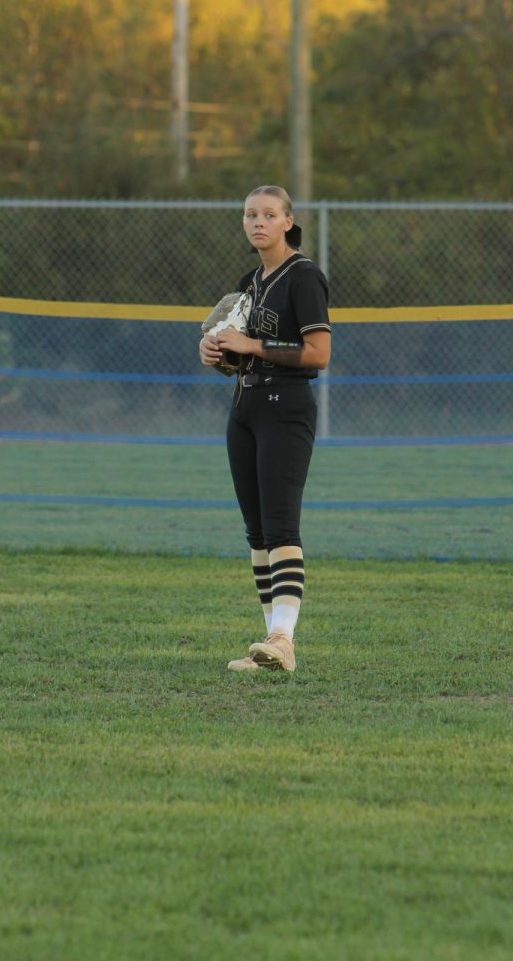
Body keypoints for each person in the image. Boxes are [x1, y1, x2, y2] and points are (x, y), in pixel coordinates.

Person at [199, 185, 331, 672]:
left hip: (286, 407)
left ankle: (285, 638)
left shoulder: (305, 277)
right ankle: (269, 643)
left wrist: (252, 346)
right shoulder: (249, 281)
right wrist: (215, 352)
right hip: (246, 407)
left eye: (269, 214)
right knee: (256, 533)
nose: (258, 221)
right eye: (250, 214)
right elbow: (235, 353)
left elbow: (319, 354)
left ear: (287, 222)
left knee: (281, 526)